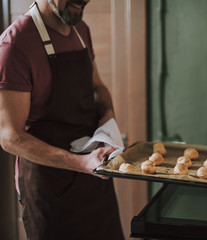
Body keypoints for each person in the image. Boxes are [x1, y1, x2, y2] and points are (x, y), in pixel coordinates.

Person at [0, 0, 124, 239]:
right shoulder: (15, 45)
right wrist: (82, 163)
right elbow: (10, 138)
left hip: (94, 179)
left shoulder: (81, 31)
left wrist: (108, 118)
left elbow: (97, 87)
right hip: (50, 191)